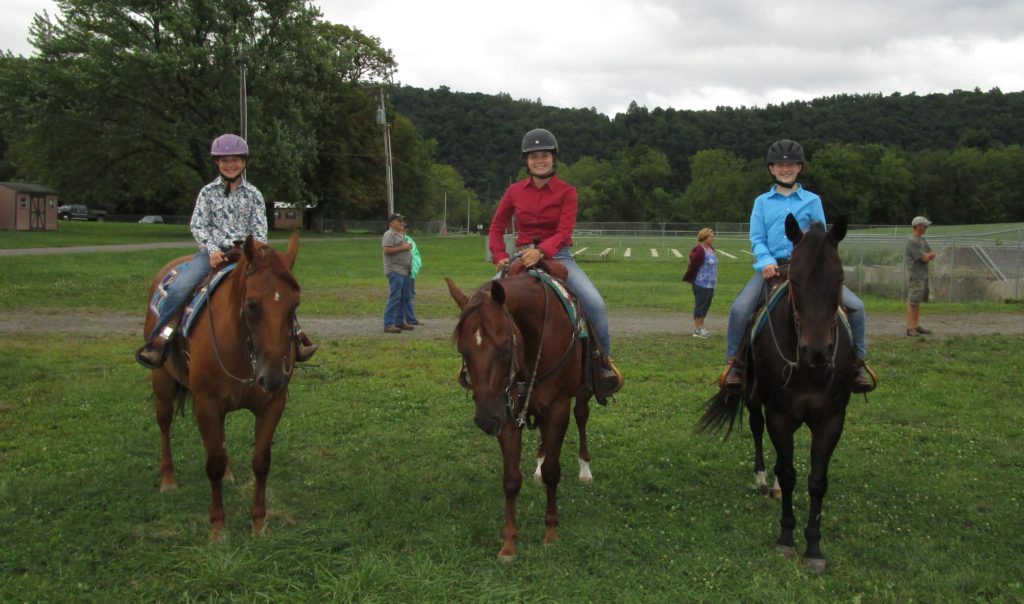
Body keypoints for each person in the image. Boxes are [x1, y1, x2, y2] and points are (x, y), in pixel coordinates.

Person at [136, 133, 317, 368]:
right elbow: (198, 225)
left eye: (235, 160)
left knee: (276, 293)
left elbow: (260, 229)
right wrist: (211, 250)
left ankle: (296, 338)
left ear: (244, 163)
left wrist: (255, 253)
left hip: (248, 255)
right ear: (217, 164)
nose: (230, 165)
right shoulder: (207, 193)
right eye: (224, 161)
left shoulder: (254, 194)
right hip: (213, 255)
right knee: (181, 288)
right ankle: (159, 340)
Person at [721, 139, 875, 394]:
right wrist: (767, 263)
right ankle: (734, 366)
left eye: (791, 164)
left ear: (799, 168)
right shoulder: (762, 202)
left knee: (856, 307)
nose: (785, 168)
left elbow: (822, 239)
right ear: (771, 169)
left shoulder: (813, 200)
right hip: (772, 268)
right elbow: (757, 238)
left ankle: (858, 364)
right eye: (780, 165)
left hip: (807, 271)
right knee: (740, 309)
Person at [488, 128, 623, 399]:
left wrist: (541, 251)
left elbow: (564, 231)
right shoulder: (514, 192)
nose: (540, 160)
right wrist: (499, 254)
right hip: (521, 257)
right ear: (526, 161)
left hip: (558, 256)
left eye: (545, 155)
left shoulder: (567, 192)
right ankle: (479, 365)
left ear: (553, 158)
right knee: (483, 301)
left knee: (595, 303)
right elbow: (496, 226)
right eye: (534, 156)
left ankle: (602, 365)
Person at [682, 227, 718, 339]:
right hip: (701, 284)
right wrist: (692, 279)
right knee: (700, 305)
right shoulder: (699, 250)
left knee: (705, 306)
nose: (713, 238)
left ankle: (701, 327)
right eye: (711, 236)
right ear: (704, 237)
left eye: (713, 236)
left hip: (710, 284)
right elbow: (693, 265)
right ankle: (697, 330)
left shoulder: (711, 249)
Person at [382, 213, 414, 334]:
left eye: (402, 221)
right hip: (395, 270)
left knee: (404, 297)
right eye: (399, 221)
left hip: (405, 271)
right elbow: (387, 250)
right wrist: (404, 247)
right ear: (391, 223)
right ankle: (388, 324)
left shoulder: (400, 235)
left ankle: (399, 322)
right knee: (395, 297)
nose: (402, 223)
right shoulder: (389, 234)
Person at [905, 216, 936, 336]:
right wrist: (928, 256)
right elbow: (924, 258)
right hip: (915, 274)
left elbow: (931, 253)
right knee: (912, 301)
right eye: (924, 225)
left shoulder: (922, 240)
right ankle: (910, 328)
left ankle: (916, 326)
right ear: (918, 226)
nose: (926, 227)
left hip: (922, 274)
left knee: (917, 302)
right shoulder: (912, 241)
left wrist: (928, 256)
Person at [403, 222, 423, 326]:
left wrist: (418, 264)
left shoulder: (409, 239)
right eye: (403, 227)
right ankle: (408, 319)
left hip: (411, 271)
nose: (405, 229)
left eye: (406, 227)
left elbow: (415, 253)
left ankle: (410, 319)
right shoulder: (398, 239)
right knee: (404, 295)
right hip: (403, 271)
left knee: (410, 294)